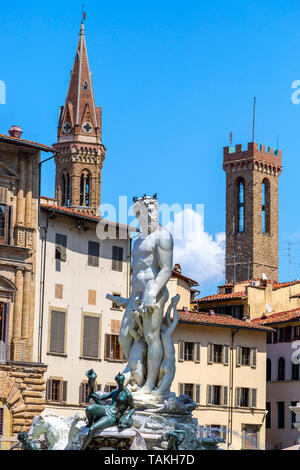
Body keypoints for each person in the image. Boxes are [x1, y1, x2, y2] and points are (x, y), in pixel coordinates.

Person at [117, 195, 173, 394]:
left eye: (152, 211)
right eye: (144, 212)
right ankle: (135, 371)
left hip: (153, 294)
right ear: (137, 215)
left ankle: (149, 384)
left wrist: (153, 292)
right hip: (136, 296)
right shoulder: (137, 241)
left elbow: (166, 269)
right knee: (124, 337)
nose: (149, 215)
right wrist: (126, 299)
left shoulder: (162, 236)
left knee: (151, 336)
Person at [81, 373, 135, 450]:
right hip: (106, 409)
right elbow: (100, 397)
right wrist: (91, 386)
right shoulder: (115, 391)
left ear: (123, 381)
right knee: (89, 409)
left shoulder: (127, 394)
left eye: (121, 381)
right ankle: (89, 422)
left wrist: (128, 416)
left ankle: (82, 448)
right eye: (118, 381)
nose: (119, 383)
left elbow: (133, 408)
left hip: (112, 416)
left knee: (92, 429)